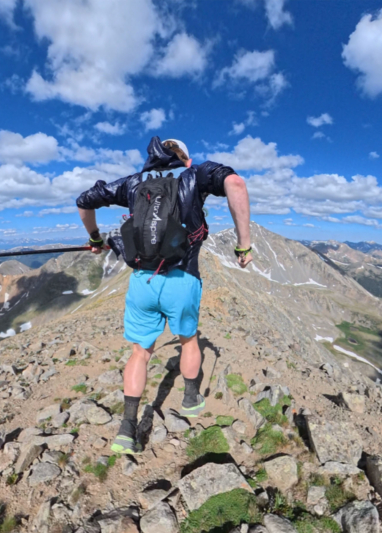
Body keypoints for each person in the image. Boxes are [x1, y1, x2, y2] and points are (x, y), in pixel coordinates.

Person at [76, 136, 253, 454]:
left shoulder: (132, 183)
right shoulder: (194, 174)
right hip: (182, 280)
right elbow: (236, 184)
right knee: (188, 341)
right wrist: (244, 244)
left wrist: (94, 237)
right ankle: (190, 399)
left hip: (142, 282)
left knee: (140, 352)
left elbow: (84, 200)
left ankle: (127, 429)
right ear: (184, 158)